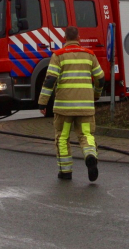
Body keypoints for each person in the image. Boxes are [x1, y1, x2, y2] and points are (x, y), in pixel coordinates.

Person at [38, 26, 105, 182]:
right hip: (85, 107)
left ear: (64, 39)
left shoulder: (59, 55)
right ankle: (90, 155)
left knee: (62, 138)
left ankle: (65, 172)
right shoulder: (89, 55)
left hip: (64, 108)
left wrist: (42, 103)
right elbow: (100, 78)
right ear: (79, 38)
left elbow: (50, 80)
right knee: (86, 135)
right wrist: (96, 94)